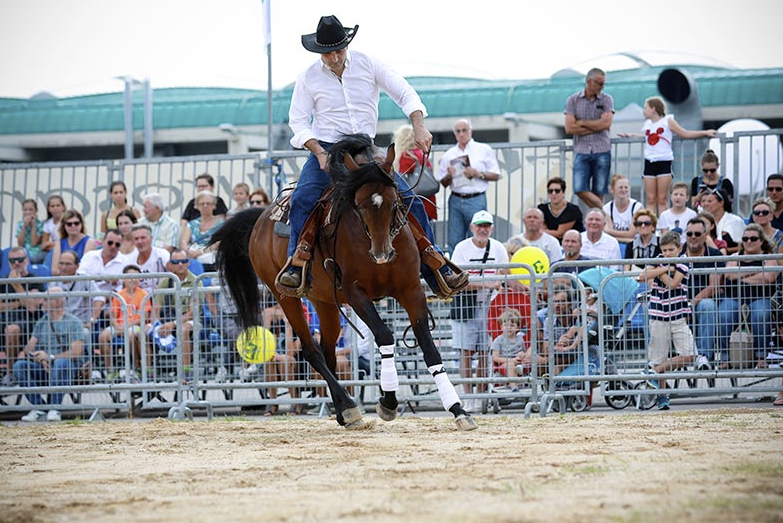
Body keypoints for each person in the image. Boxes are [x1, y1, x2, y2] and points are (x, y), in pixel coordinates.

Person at [277, 15, 467, 298]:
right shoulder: (308, 77)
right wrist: (318, 151)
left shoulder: (369, 63)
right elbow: (299, 121)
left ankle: (433, 260)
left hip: (366, 149)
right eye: (328, 52)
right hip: (328, 150)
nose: (334, 57)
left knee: (409, 198)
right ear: (320, 51)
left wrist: (418, 124)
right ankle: (297, 262)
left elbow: (405, 92)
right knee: (304, 197)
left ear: (346, 45)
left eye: (339, 50)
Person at [449, 210, 508, 412]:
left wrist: (495, 284)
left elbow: (504, 274)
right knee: (465, 352)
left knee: (484, 352)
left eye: (486, 226)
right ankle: (468, 396)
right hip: (465, 306)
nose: (483, 229)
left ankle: (481, 395)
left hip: (489, 306)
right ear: (472, 227)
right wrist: (486, 284)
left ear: (491, 228)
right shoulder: (461, 248)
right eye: (479, 225)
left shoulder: (498, 247)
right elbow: (456, 280)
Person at [619, 96, 716, 214]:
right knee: (650, 198)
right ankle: (651, 223)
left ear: (653, 109)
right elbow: (647, 137)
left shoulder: (667, 121)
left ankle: (663, 225)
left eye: (646, 108)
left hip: (664, 161)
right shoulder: (648, 123)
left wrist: (705, 133)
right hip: (649, 161)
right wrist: (630, 135)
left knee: (662, 199)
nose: (643, 111)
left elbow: (684, 133)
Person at [637, 231, 697, 410]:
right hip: (658, 316)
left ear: (679, 248)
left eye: (671, 249)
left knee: (690, 354)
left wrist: (656, 271)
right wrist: (665, 268)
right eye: (664, 250)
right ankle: (662, 397)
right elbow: (642, 276)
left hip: (678, 315)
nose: (668, 253)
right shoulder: (661, 261)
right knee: (658, 356)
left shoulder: (683, 263)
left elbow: (673, 283)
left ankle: (653, 372)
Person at [14, 287, 88, 422]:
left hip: (68, 370)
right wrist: (40, 359)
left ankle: (55, 408)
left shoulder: (74, 322)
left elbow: (77, 352)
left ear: (58, 302)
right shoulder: (41, 322)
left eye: (47, 299)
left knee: (60, 363)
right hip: (44, 368)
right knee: (19, 366)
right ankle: (39, 406)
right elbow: (28, 350)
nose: (42, 302)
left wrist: (51, 358)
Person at [717, 224, 779, 368]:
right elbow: (729, 275)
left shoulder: (769, 257)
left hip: (760, 298)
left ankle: (761, 357)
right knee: (724, 313)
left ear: (762, 241)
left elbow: (768, 278)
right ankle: (726, 357)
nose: (748, 241)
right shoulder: (735, 256)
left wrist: (740, 275)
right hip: (734, 298)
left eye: (753, 238)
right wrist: (756, 272)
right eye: (745, 238)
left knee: (761, 314)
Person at [436, 118, 501, 251]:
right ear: (454, 134)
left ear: (471, 131)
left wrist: (478, 173)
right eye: (458, 131)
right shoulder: (449, 154)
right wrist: (449, 175)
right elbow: (442, 182)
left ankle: (478, 268)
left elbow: (496, 174)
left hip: (476, 198)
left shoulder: (483, 149)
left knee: (478, 237)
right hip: (456, 198)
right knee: (454, 240)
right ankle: (456, 270)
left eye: (464, 130)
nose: (461, 134)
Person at [564, 67, 614, 209]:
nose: (602, 86)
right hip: (582, 150)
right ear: (588, 82)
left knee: (599, 190)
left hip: (602, 149)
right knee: (579, 188)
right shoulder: (573, 100)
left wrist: (582, 123)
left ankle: (597, 218)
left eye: (603, 83)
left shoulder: (607, 99)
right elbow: (569, 128)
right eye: (599, 83)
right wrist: (596, 125)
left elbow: (606, 124)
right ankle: (603, 212)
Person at [149, 249, 202, 379]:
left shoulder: (196, 281)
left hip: (191, 321)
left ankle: (186, 371)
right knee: (144, 331)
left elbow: (192, 312)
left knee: (182, 329)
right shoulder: (165, 282)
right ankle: (148, 371)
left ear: (188, 262)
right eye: (176, 261)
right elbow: (155, 309)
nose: (180, 264)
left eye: (183, 261)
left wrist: (173, 324)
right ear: (171, 264)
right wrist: (155, 325)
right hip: (169, 319)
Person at [681, 217, 724, 368]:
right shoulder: (676, 253)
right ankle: (657, 361)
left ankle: (703, 356)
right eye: (690, 234)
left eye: (697, 234)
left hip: (702, 301)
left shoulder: (714, 255)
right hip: (679, 301)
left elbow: (714, 286)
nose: (693, 237)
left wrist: (691, 303)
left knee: (707, 305)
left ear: (705, 235)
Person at [97, 264, 151, 380]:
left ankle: (137, 368)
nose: (132, 280)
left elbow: (144, 317)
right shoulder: (118, 295)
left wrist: (126, 326)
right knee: (103, 336)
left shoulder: (144, 294)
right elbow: (112, 315)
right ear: (124, 279)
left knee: (131, 335)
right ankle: (111, 370)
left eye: (135, 277)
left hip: (136, 325)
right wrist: (117, 326)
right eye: (129, 276)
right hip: (120, 326)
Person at [1, 246, 46, 383]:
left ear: (27, 260)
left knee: (12, 329)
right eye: (12, 260)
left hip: (31, 323)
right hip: (6, 320)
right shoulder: (3, 281)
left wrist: (17, 285)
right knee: (10, 328)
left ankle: (11, 373)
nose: (16, 263)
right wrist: (22, 301)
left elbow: (32, 307)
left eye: (20, 259)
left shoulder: (35, 280)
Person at [52, 250, 105, 334]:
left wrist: (92, 319)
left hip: (81, 325)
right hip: (58, 324)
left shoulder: (84, 279)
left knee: (84, 333)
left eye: (68, 264)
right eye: (61, 263)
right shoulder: (53, 282)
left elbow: (100, 297)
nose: (63, 267)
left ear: (77, 266)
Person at [393, 124, 437, 221]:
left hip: (415, 202)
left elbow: (402, 180)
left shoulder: (407, 156)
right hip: (428, 199)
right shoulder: (421, 153)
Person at [180, 191, 223, 271]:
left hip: (212, 258)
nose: (205, 206)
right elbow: (183, 242)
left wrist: (200, 252)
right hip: (193, 256)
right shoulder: (192, 224)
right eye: (202, 204)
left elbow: (219, 243)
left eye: (208, 203)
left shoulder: (221, 223)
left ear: (214, 205)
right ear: (197, 206)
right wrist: (188, 251)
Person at [76, 228, 128, 296]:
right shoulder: (89, 256)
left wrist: (106, 298)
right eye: (110, 243)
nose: (113, 246)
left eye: (117, 244)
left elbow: (123, 286)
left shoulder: (125, 261)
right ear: (103, 241)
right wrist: (103, 278)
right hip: (87, 298)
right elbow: (80, 275)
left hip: (111, 301)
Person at [50, 209, 96, 276]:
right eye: (69, 224)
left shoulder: (89, 242)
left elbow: (86, 268)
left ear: (81, 224)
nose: (73, 226)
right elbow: (54, 270)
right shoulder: (59, 243)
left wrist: (65, 271)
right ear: (64, 226)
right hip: (62, 281)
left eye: (76, 223)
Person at [602, 174, 642, 251]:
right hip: (614, 245)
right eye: (620, 187)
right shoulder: (607, 208)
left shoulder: (636, 207)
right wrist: (624, 238)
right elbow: (607, 234)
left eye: (626, 187)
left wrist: (613, 234)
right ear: (612, 189)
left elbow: (631, 234)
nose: (623, 190)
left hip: (634, 245)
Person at [128, 223, 170, 292]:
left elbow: (172, 269)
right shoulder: (130, 261)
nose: (140, 241)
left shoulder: (161, 254)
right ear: (133, 241)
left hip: (161, 298)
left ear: (151, 238)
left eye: (143, 238)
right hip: (140, 300)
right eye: (136, 239)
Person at [538, 176, 584, 241]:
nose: (553, 193)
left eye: (557, 191)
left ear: (563, 193)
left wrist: (542, 231)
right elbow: (540, 228)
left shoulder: (572, 210)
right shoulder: (542, 209)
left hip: (570, 244)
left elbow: (560, 234)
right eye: (550, 191)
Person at [700, 188, 744, 254]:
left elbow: (745, 246)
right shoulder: (702, 221)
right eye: (703, 201)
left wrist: (725, 250)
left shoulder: (735, 221)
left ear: (721, 202)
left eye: (710, 201)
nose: (706, 204)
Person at [490, 309, 527, 382]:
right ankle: (514, 387)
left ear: (518, 328)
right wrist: (511, 360)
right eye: (506, 325)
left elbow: (523, 352)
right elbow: (495, 357)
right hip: (504, 364)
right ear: (501, 327)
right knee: (510, 366)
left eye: (512, 325)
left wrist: (521, 355)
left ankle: (518, 377)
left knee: (523, 365)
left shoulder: (520, 340)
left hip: (518, 363)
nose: (509, 327)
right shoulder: (498, 340)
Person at [15, 198, 45, 263]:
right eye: (25, 210)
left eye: (31, 210)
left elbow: (34, 243)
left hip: (37, 253)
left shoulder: (41, 224)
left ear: (36, 211)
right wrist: (24, 226)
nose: (28, 212)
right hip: (24, 252)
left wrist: (33, 225)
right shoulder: (20, 224)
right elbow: (20, 244)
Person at [40, 195, 66, 260]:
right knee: (36, 259)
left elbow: (67, 244)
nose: (55, 208)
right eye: (52, 206)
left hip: (67, 250)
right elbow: (43, 246)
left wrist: (50, 244)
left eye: (58, 205)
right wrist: (56, 245)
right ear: (48, 209)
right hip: (53, 250)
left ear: (63, 207)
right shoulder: (47, 223)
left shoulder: (68, 221)